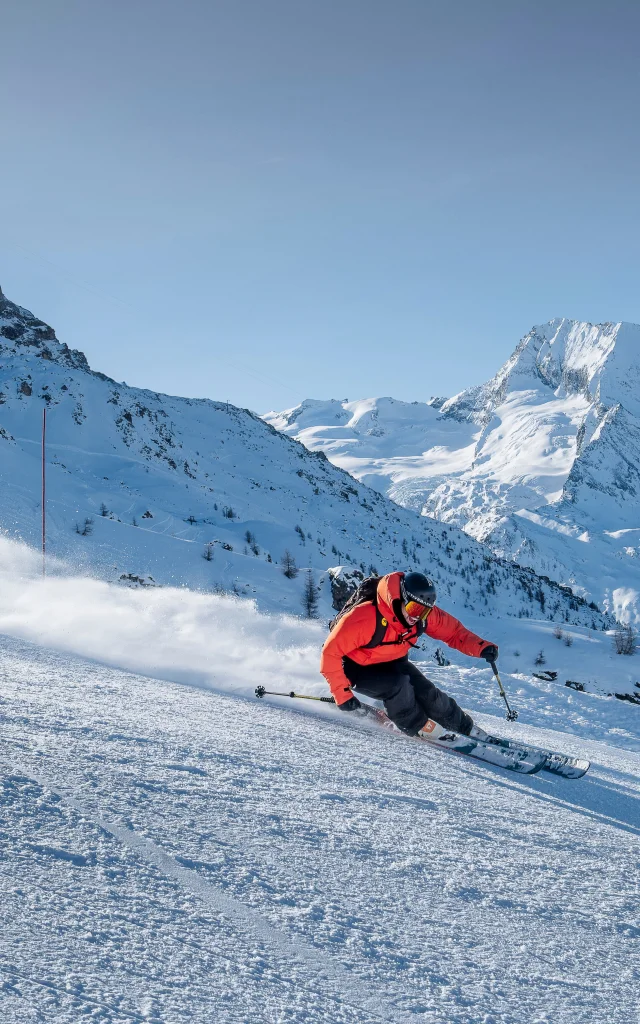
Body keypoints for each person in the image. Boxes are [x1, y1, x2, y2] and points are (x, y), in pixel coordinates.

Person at [320, 570, 498, 739]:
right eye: (413, 609)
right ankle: (417, 726)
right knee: (398, 687)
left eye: (424, 612)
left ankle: (464, 727)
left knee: (428, 692)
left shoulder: (420, 615)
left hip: (391, 660)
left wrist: (481, 647)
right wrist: (342, 696)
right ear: (401, 599)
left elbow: (454, 632)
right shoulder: (363, 617)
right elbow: (330, 653)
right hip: (355, 667)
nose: (417, 617)